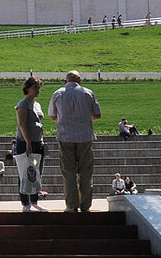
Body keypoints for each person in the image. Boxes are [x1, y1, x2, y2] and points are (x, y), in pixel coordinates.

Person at [48, 70, 102, 213]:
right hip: (85, 137)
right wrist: (83, 118)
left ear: (65, 81)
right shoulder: (88, 93)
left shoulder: (58, 93)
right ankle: (85, 205)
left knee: (68, 172)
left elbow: (53, 116)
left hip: (65, 137)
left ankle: (71, 206)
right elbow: (97, 115)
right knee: (86, 172)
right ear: (80, 80)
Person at [14, 77, 46, 212]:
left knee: (37, 172)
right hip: (26, 142)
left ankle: (34, 201)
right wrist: (28, 142)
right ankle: (25, 203)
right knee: (25, 172)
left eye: (38, 88)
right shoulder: (23, 104)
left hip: (38, 141)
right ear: (27, 89)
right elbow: (22, 124)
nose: (38, 91)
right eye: (35, 88)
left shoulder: (36, 105)